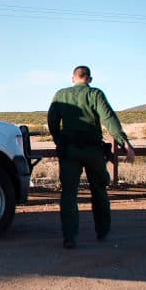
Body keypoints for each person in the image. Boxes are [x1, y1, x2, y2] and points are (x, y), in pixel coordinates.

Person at [47, 65, 135, 249]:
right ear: (90, 79)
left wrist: (59, 140)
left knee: (69, 193)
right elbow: (109, 119)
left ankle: (69, 236)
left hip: (69, 150)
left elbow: (52, 121)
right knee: (99, 189)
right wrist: (124, 143)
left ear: (73, 78)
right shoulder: (95, 94)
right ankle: (102, 230)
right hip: (93, 150)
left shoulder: (61, 95)